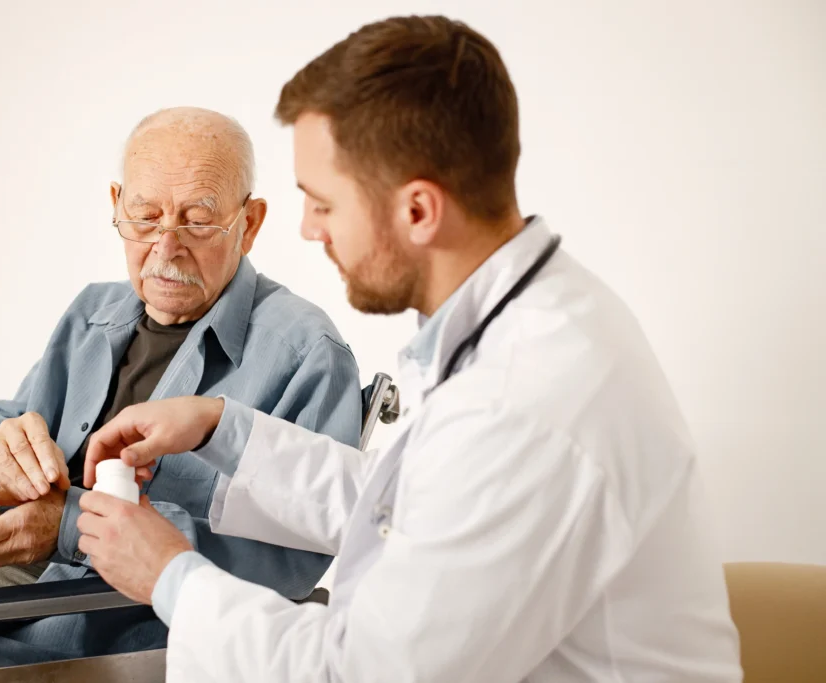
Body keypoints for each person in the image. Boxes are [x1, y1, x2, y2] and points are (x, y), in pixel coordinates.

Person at [78, 16, 745, 683]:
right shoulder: (534, 316)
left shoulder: (526, 398)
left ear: (418, 211)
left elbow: (361, 673)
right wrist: (220, 427)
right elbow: (416, 503)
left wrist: (170, 575)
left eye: (325, 204)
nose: (308, 229)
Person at [0, 107, 362, 681]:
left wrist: (70, 528)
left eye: (197, 222)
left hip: (61, 644)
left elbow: (288, 565)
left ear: (249, 223)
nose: (165, 248)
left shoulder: (305, 353)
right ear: (116, 205)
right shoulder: (96, 313)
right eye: (144, 217)